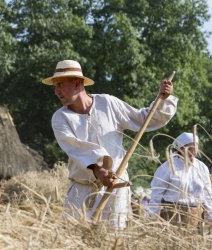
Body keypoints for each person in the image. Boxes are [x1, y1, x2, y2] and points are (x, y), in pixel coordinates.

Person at [42, 59, 177, 228]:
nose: (56, 91)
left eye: (60, 84)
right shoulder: (60, 118)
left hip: (114, 188)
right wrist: (99, 170)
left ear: (77, 84)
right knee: (74, 239)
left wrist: (164, 99)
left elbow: (143, 119)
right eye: (55, 86)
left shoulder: (108, 103)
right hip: (81, 192)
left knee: (111, 238)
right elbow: (75, 148)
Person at [148, 132, 212, 227]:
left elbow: (207, 194)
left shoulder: (202, 168)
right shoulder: (168, 167)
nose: (193, 152)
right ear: (180, 148)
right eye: (189, 149)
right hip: (171, 216)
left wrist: (210, 215)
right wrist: (153, 217)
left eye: (195, 148)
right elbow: (156, 193)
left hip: (196, 216)